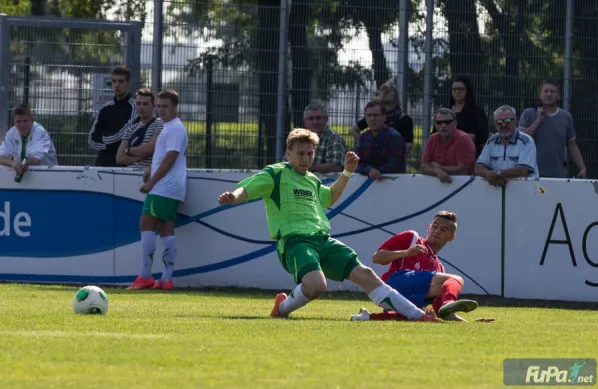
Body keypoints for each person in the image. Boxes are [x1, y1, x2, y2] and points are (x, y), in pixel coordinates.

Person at [217, 128, 439, 322]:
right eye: (300, 153)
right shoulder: (275, 173)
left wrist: (347, 172)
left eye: (310, 153)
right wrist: (233, 197)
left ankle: (418, 316)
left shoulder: (311, 180)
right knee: (317, 286)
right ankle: (282, 308)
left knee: (367, 274)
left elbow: (330, 197)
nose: (305, 158)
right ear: (288, 153)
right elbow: (247, 189)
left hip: (323, 240)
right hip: (295, 242)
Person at [351, 211, 492, 322]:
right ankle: (450, 301)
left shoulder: (439, 269)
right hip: (391, 285)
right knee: (457, 279)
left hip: (400, 299)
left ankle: (368, 317)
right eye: (435, 227)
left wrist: (470, 324)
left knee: (426, 316)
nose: (437, 231)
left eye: (443, 230)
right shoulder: (412, 238)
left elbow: (443, 313)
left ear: (451, 237)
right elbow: (377, 258)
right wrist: (406, 252)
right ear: (429, 228)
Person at [128, 90, 188, 290]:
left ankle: (145, 276)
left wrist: (152, 181)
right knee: (166, 229)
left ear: (174, 107)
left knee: (145, 224)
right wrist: (150, 168)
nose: (161, 110)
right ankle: (165, 279)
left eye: (165, 106)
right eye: (159, 106)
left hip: (164, 187)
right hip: (172, 187)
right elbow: (167, 156)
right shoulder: (170, 128)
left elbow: (170, 157)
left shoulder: (175, 129)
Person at [518, 79, 586, 178]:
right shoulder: (528, 113)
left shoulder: (566, 117)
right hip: (531, 175)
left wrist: (582, 167)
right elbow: (520, 140)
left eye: (552, 91)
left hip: (557, 175)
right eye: (546, 91)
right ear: (540, 95)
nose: (549, 94)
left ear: (558, 96)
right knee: (540, 193)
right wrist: (538, 121)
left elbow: (572, 145)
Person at [475, 105, 539, 187]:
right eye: (499, 122)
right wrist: (489, 175)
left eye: (508, 121)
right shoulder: (491, 141)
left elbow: (523, 171)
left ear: (515, 121)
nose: (504, 125)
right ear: (495, 124)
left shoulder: (526, 141)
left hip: (527, 190)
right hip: (498, 190)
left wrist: (498, 174)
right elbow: (478, 167)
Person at [88, 65, 137, 167]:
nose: (116, 85)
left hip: (123, 167)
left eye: (120, 81)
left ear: (128, 83)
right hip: (102, 165)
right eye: (114, 81)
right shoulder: (105, 108)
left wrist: (104, 138)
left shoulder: (135, 107)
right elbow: (92, 139)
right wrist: (110, 145)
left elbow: (123, 134)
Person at [0, 104, 58, 174]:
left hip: (48, 175)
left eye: (25, 121)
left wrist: (20, 165)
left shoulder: (40, 132)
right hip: (26, 177)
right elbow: (1, 157)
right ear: (14, 122)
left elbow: (36, 160)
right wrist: (13, 163)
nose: (22, 125)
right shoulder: (11, 132)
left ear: (32, 120)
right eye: (18, 121)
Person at [116, 88, 164, 168]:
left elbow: (149, 150)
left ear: (154, 106)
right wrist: (139, 157)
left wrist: (127, 150)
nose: (141, 107)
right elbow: (119, 158)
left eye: (145, 104)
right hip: (129, 175)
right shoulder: (130, 128)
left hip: (149, 175)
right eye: (138, 104)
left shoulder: (160, 123)